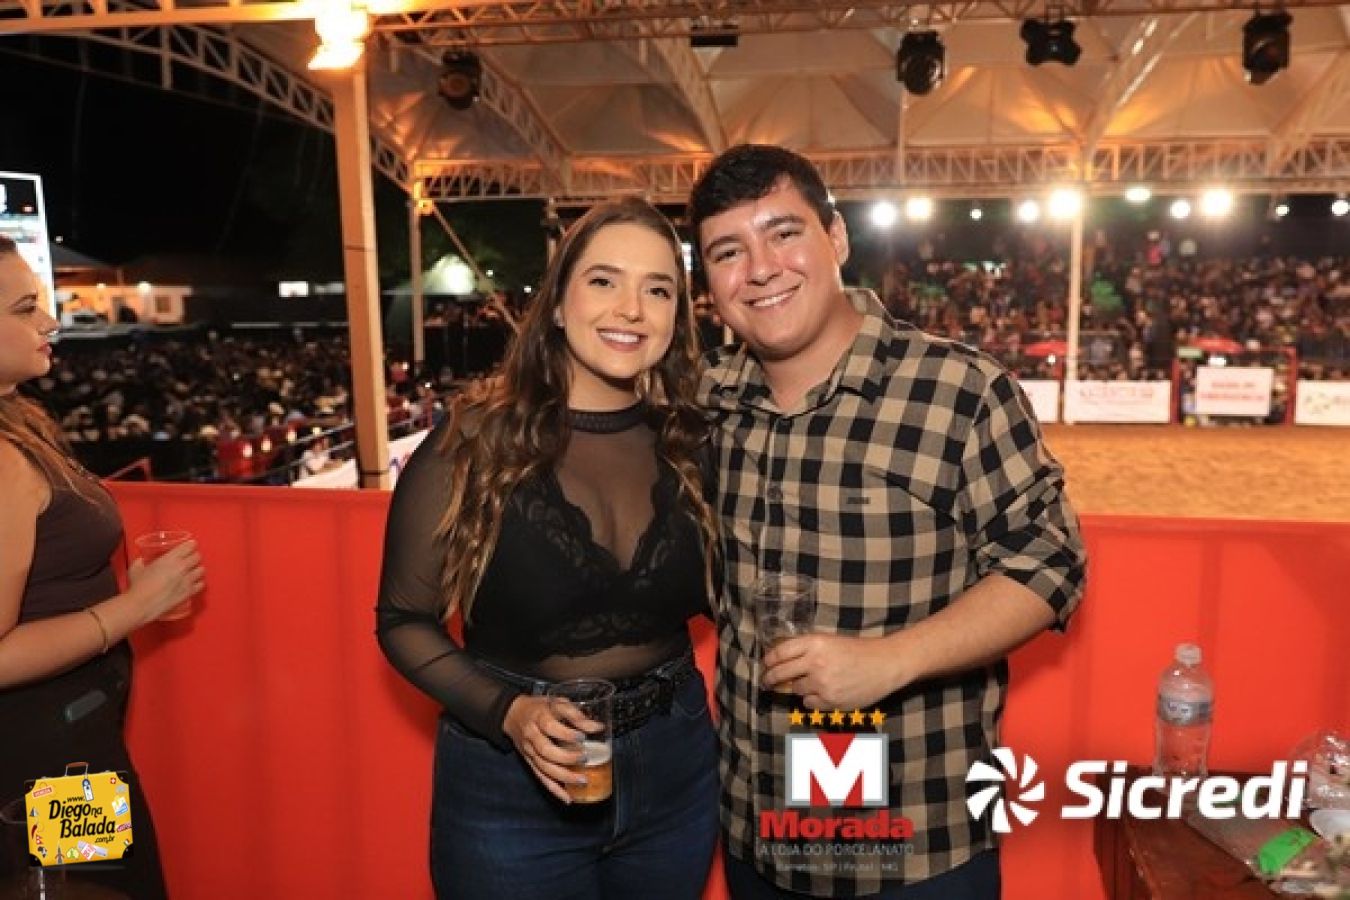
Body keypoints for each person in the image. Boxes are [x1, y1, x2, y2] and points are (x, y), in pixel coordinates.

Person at [689, 145, 1087, 899]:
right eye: (727, 252)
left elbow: (1049, 562)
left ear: (836, 237)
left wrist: (892, 660)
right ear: (707, 280)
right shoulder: (707, 400)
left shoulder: (959, 388)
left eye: (784, 233)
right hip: (757, 836)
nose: (761, 269)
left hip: (916, 847)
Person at [375, 199, 721, 900]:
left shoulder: (692, 444)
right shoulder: (471, 445)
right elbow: (403, 620)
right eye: (604, 280)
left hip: (677, 765)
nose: (632, 309)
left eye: (658, 289)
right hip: (511, 785)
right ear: (558, 304)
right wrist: (508, 712)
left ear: (677, 317)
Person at [0, 236, 205, 897]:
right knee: (97, 889)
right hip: (48, 760)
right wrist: (134, 607)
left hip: (66, 738)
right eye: (24, 309)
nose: (49, 322)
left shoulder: (17, 426)